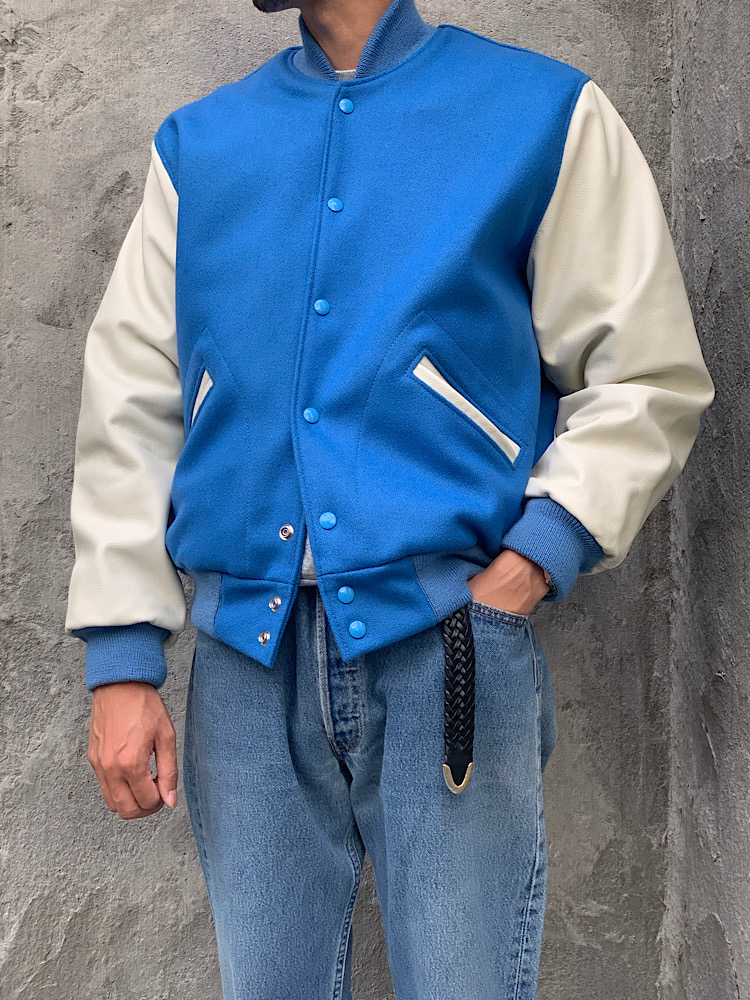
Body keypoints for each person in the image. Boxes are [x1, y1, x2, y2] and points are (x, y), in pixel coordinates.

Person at [64, 0, 714, 996]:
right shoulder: (201, 147)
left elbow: (646, 377)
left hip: (450, 640)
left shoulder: (539, 114)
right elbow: (129, 405)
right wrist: (121, 658)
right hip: (244, 657)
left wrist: (530, 563)